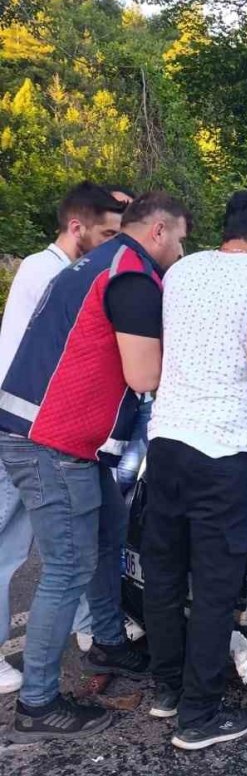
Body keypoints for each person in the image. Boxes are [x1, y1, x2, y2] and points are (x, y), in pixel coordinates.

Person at [0, 191, 190, 741]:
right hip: (50, 443)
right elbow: (144, 376)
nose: (180, 251)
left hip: (58, 439)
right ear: (157, 231)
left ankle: (107, 641)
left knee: (108, 530)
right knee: (66, 567)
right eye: (179, 239)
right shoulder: (129, 274)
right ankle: (38, 703)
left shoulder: (92, 263)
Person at [141, 189, 247, 752]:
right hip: (223, 451)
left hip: (166, 442)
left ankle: (166, 692)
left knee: (164, 575)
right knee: (215, 586)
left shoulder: (184, 270)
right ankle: (199, 716)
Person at [0, 182, 126, 696]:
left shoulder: (62, 270)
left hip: (40, 431)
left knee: (64, 548)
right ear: (77, 227)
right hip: (26, 430)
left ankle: (83, 626)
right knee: (9, 546)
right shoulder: (47, 271)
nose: (113, 244)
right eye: (106, 233)